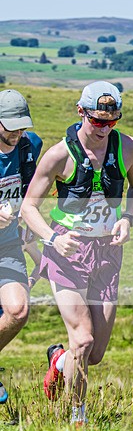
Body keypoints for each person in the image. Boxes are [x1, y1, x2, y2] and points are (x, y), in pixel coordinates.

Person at [21, 81, 133, 425]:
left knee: (95, 353)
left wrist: (128, 219)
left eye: (112, 122)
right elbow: (29, 207)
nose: (105, 129)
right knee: (84, 339)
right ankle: (78, 418)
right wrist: (51, 239)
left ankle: (59, 361)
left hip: (107, 253)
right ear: (81, 112)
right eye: (98, 121)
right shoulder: (59, 155)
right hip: (67, 252)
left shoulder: (130, 149)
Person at [0, 89, 43, 403]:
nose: (16, 133)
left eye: (21, 125)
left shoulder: (30, 146)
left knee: (18, 310)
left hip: (9, 244)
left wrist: (34, 244)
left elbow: (29, 194)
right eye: (9, 126)